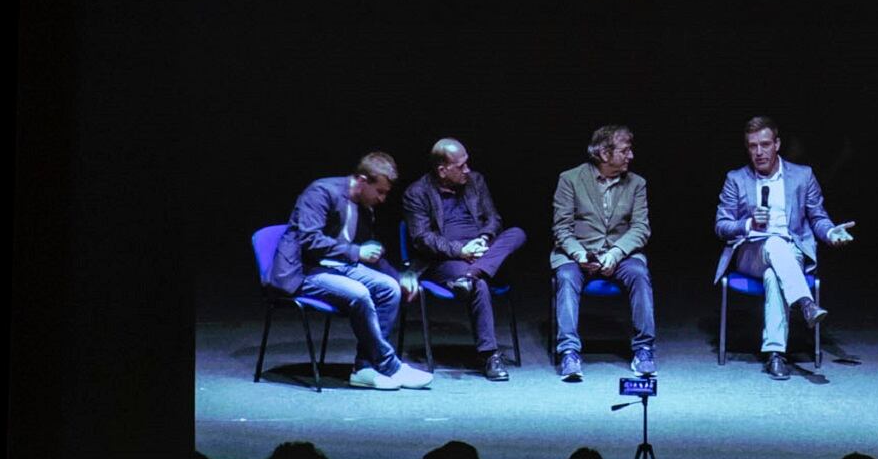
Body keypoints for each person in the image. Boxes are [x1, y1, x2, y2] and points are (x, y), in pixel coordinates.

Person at [267, 153, 432, 391]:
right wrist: (355, 252)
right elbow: (310, 239)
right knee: (359, 293)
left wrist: (400, 278)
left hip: (339, 268)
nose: (382, 199)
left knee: (389, 289)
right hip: (304, 270)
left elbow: (370, 253)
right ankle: (389, 365)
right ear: (362, 180)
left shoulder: (365, 208)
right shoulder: (321, 192)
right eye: (380, 191)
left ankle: (364, 368)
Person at [712, 116, 854, 380]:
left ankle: (776, 354)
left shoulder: (802, 176)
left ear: (777, 144)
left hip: (792, 252)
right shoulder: (736, 179)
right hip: (750, 252)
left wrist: (832, 232)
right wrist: (748, 223)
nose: (758, 152)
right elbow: (721, 225)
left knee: (773, 274)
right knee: (774, 243)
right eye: (752, 146)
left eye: (764, 144)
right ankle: (805, 303)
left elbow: (817, 217)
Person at [401, 138, 529, 382]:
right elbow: (422, 238)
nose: (467, 170)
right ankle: (490, 355)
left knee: (517, 233)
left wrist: (483, 238)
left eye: (467, 164)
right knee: (479, 285)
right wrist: (461, 250)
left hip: (483, 252)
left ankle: (471, 275)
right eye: (461, 166)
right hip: (446, 259)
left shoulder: (476, 181)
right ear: (442, 170)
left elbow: (494, 219)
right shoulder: (416, 193)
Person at [550, 125, 657, 380]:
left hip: (621, 253)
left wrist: (617, 253)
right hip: (579, 253)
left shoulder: (637, 184)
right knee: (566, 278)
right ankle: (569, 352)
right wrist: (580, 255)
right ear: (604, 154)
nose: (630, 156)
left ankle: (644, 349)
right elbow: (561, 228)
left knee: (640, 274)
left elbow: (641, 227)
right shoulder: (570, 179)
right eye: (625, 150)